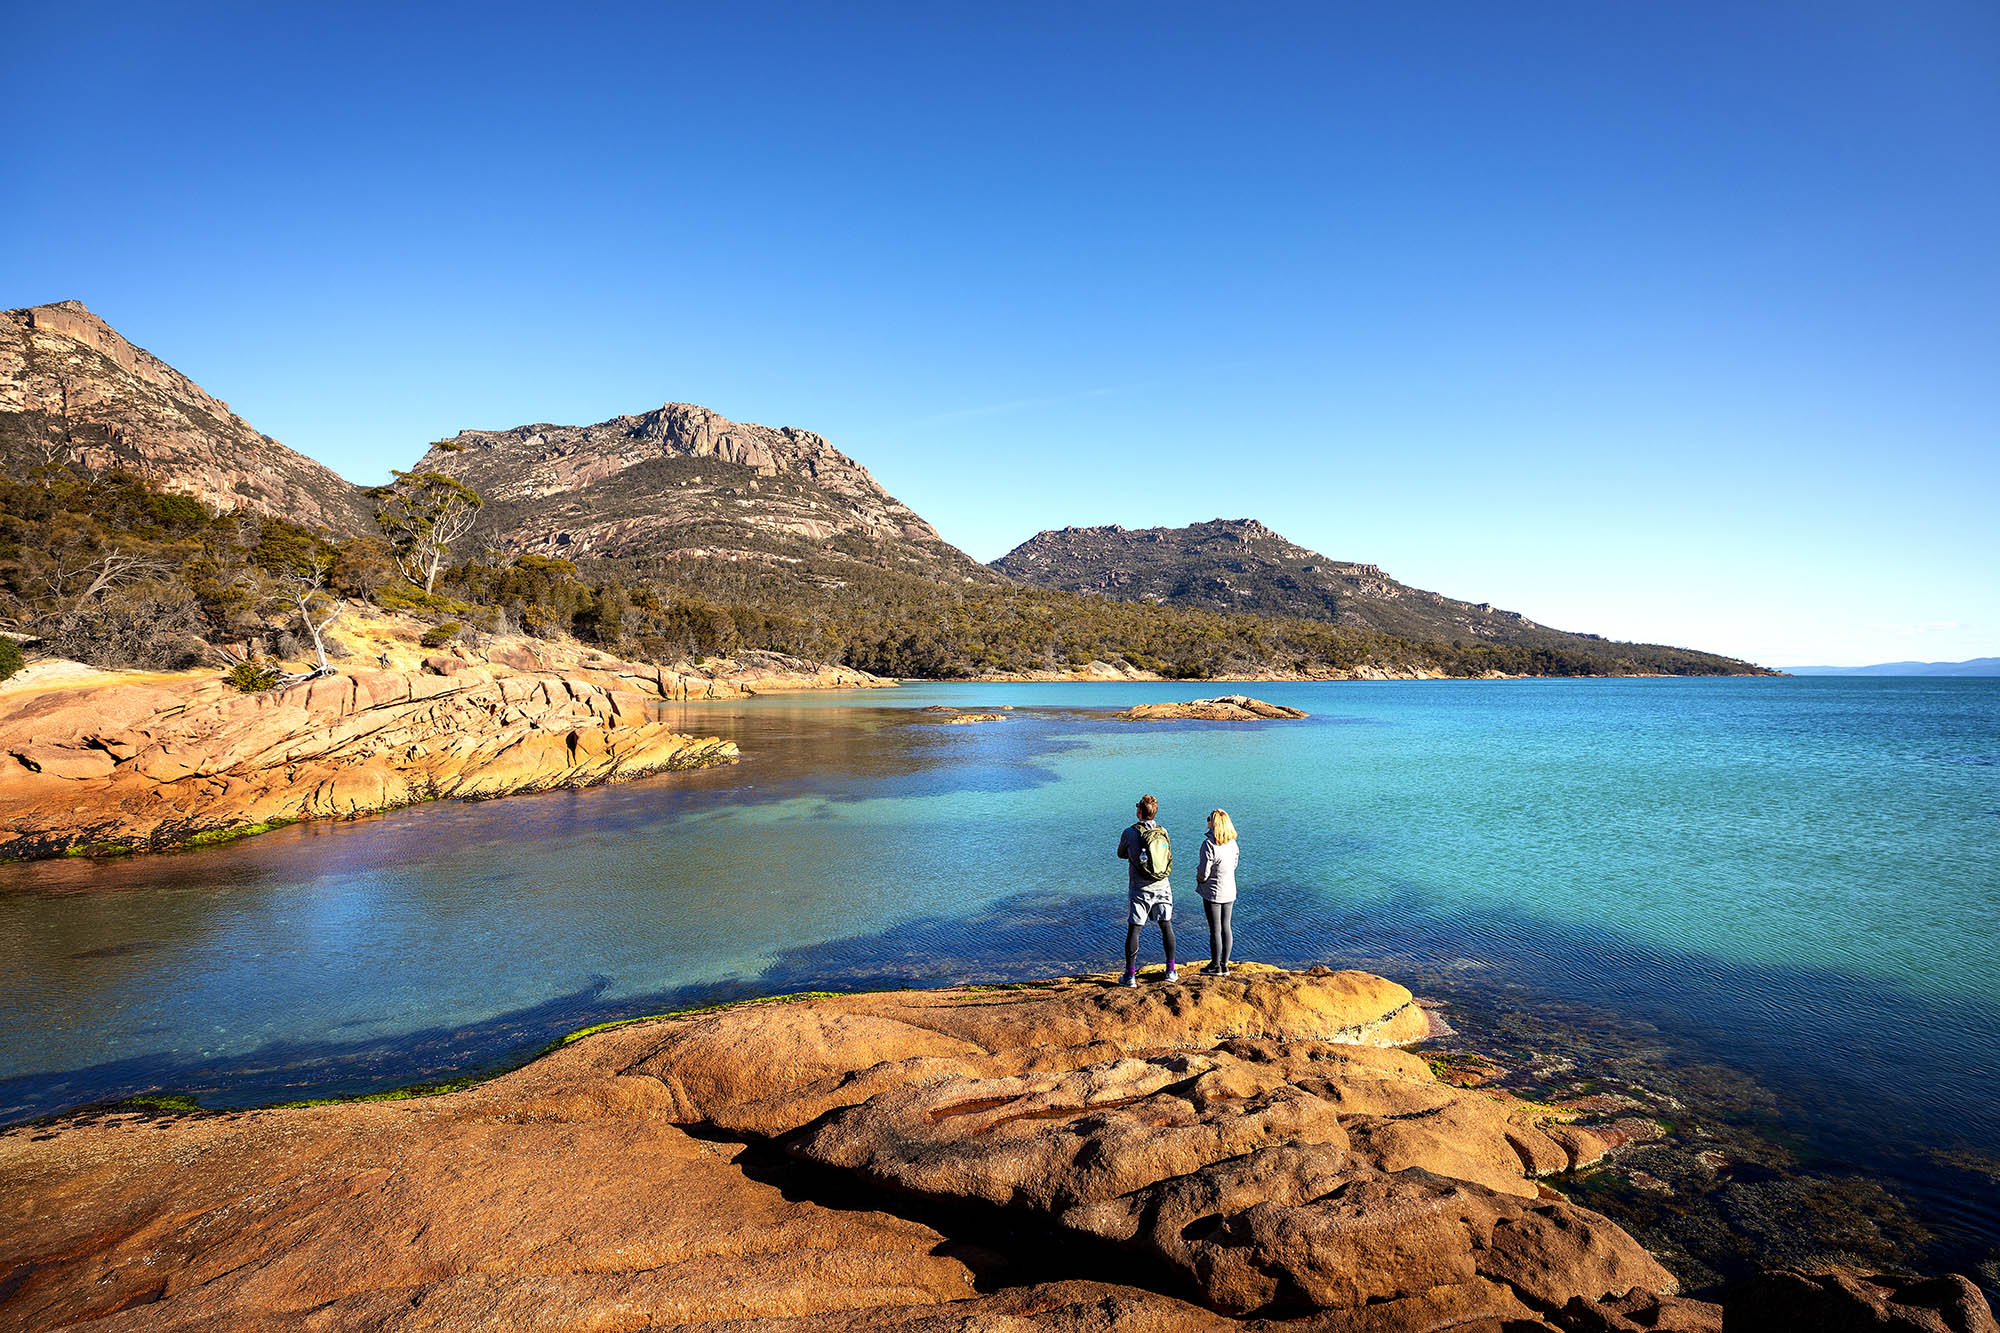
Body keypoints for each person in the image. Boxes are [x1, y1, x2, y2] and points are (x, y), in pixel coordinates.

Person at [1117, 794, 1177, 986]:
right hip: (1162, 885)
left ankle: (1130, 976)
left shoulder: (1129, 832)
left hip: (1140, 888)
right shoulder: (1163, 831)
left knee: (1134, 929)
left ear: (1139, 812)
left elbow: (1120, 854)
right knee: (1166, 926)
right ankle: (1170, 971)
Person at [1197, 809, 1240, 975]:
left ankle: (1215, 966)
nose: (1207, 820)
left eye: (1209, 818)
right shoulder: (1233, 843)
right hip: (1229, 890)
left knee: (1215, 929)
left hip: (1213, 892)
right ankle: (1225, 964)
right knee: (1226, 927)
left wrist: (1200, 879)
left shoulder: (1209, 844)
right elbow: (1234, 865)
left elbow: (1204, 872)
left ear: (1213, 824)